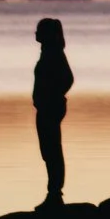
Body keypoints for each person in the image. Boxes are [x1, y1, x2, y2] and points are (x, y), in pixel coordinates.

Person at [32, 16, 73, 205]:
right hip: (45, 107)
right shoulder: (48, 52)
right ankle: (53, 192)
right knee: (48, 150)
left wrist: (53, 96)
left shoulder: (54, 53)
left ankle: (55, 193)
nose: (36, 33)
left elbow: (68, 79)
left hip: (51, 108)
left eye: (39, 30)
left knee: (52, 149)